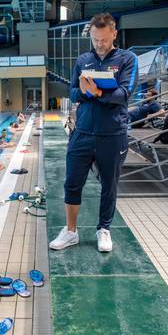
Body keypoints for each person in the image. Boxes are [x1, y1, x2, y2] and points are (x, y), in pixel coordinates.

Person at [49, 13, 137, 253]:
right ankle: (70, 231)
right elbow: (73, 92)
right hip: (83, 132)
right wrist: (86, 92)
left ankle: (104, 230)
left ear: (114, 35)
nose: (99, 45)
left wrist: (98, 93)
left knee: (109, 184)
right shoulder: (83, 60)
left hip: (112, 134)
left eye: (104, 40)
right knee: (72, 183)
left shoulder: (127, 59)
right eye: (96, 40)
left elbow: (124, 94)